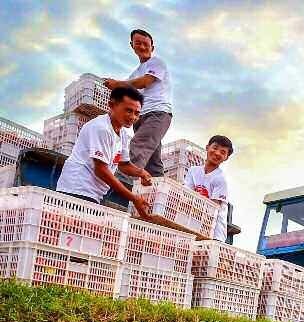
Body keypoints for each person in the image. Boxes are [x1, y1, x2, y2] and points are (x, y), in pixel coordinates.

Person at [55, 86, 151, 216]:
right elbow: (101, 170)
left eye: (136, 113)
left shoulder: (122, 133)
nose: (132, 117)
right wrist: (133, 198)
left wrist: (141, 173)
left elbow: (123, 164)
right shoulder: (101, 128)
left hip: (93, 194)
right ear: (111, 105)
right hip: (77, 190)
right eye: (128, 111)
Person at [103, 29, 172, 177]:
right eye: (138, 43)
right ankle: (157, 190)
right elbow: (128, 94)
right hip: (140, 118)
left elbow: (144, 82)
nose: (142, 47)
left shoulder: (157, 62)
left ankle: (122, 183)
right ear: (132, 45)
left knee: (138, 146)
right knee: (152, 162)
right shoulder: (134, 73)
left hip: (158, 114)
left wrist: (118, 84)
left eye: (146, 44)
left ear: (152, 47)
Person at [184, 136, 233, 241]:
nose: (217, 153)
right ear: (207, 147)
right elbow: (186, 195)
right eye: (215, 148)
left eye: (223, 152)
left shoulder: (221, 179)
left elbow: (212, 210)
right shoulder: (193, 171)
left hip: (214, 233)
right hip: (193, 225)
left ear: (226, 158)